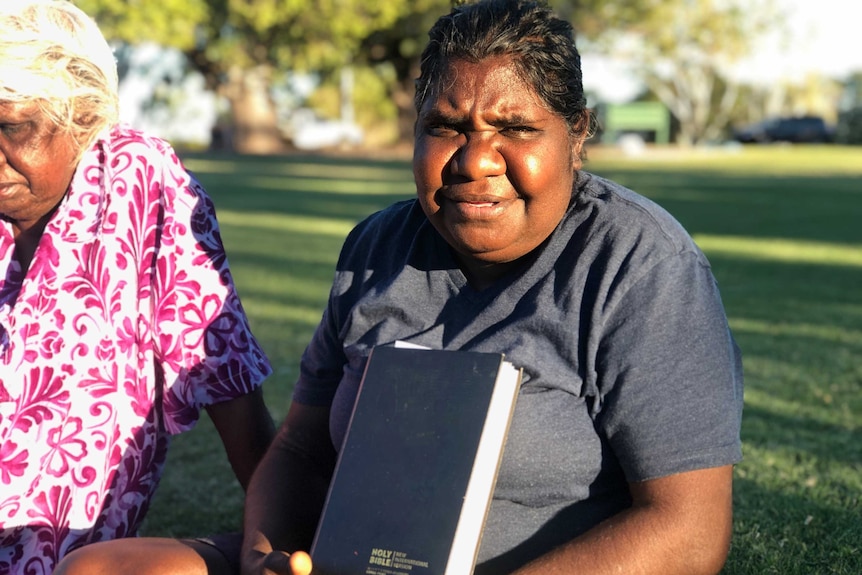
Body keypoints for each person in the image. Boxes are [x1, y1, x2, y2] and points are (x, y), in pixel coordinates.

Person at [241, 0, 744, 574]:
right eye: (446, 127)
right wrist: (263, 557)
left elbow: (688, 528)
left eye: (516, 129)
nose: (474, 161)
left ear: (576, 134)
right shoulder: (375, 249)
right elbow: (302, 451)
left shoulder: (640, 263)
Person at [0, 1, 275, 573]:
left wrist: (288, 531)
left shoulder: (134, 183)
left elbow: (220, 367)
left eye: (11, 127)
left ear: (83, 113)